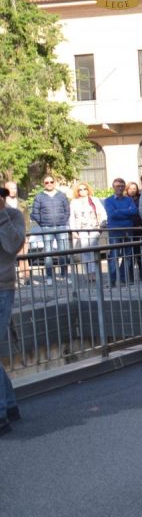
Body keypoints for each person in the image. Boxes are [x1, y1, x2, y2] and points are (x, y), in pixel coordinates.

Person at [1, 186, 27, 435]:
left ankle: (2, 414)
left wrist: (1, 215)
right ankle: (9, 406)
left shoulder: (13, 216)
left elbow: (12, 246)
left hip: (2, 288)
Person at [30, 175, 71, 277]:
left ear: (54, 182)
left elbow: (67, 210)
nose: (49, 184)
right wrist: (43, 223)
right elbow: (35, 213)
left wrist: (63, 221)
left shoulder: (61, 195)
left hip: (61, 227)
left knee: (63, 252)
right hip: (47, 228)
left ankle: (64, 275)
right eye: (47, 182)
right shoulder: (39, 196)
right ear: (43, 184)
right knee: (48, 254)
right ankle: (49, 276)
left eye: (51, 182)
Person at [102, 178, 139, 286]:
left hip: (128, 230)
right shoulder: (108, 200)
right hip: (115, 231)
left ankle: (123, 278)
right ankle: (112, 280)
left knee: (128, 256)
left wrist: (119, 211)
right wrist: (126, 212)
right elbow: (112, 214)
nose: (120, 188)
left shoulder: (129, 200)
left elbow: (134, 212)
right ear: (113, 187)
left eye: (122, 186)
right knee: (114, 256)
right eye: (117, 186)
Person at [68, 181, 105, 283]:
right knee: (85, 252)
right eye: (80, 189)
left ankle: (94, 273)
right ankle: (88, 273)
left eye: (85, 189)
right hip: (81, 229)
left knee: (93, 250)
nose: (83, 191)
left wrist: (101, 226)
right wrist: (73, 230)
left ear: (88, 190)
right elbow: (71, 217)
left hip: (94, 227)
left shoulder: (94, 200)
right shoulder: (74, 202)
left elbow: (102, 213)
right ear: (77, 191)